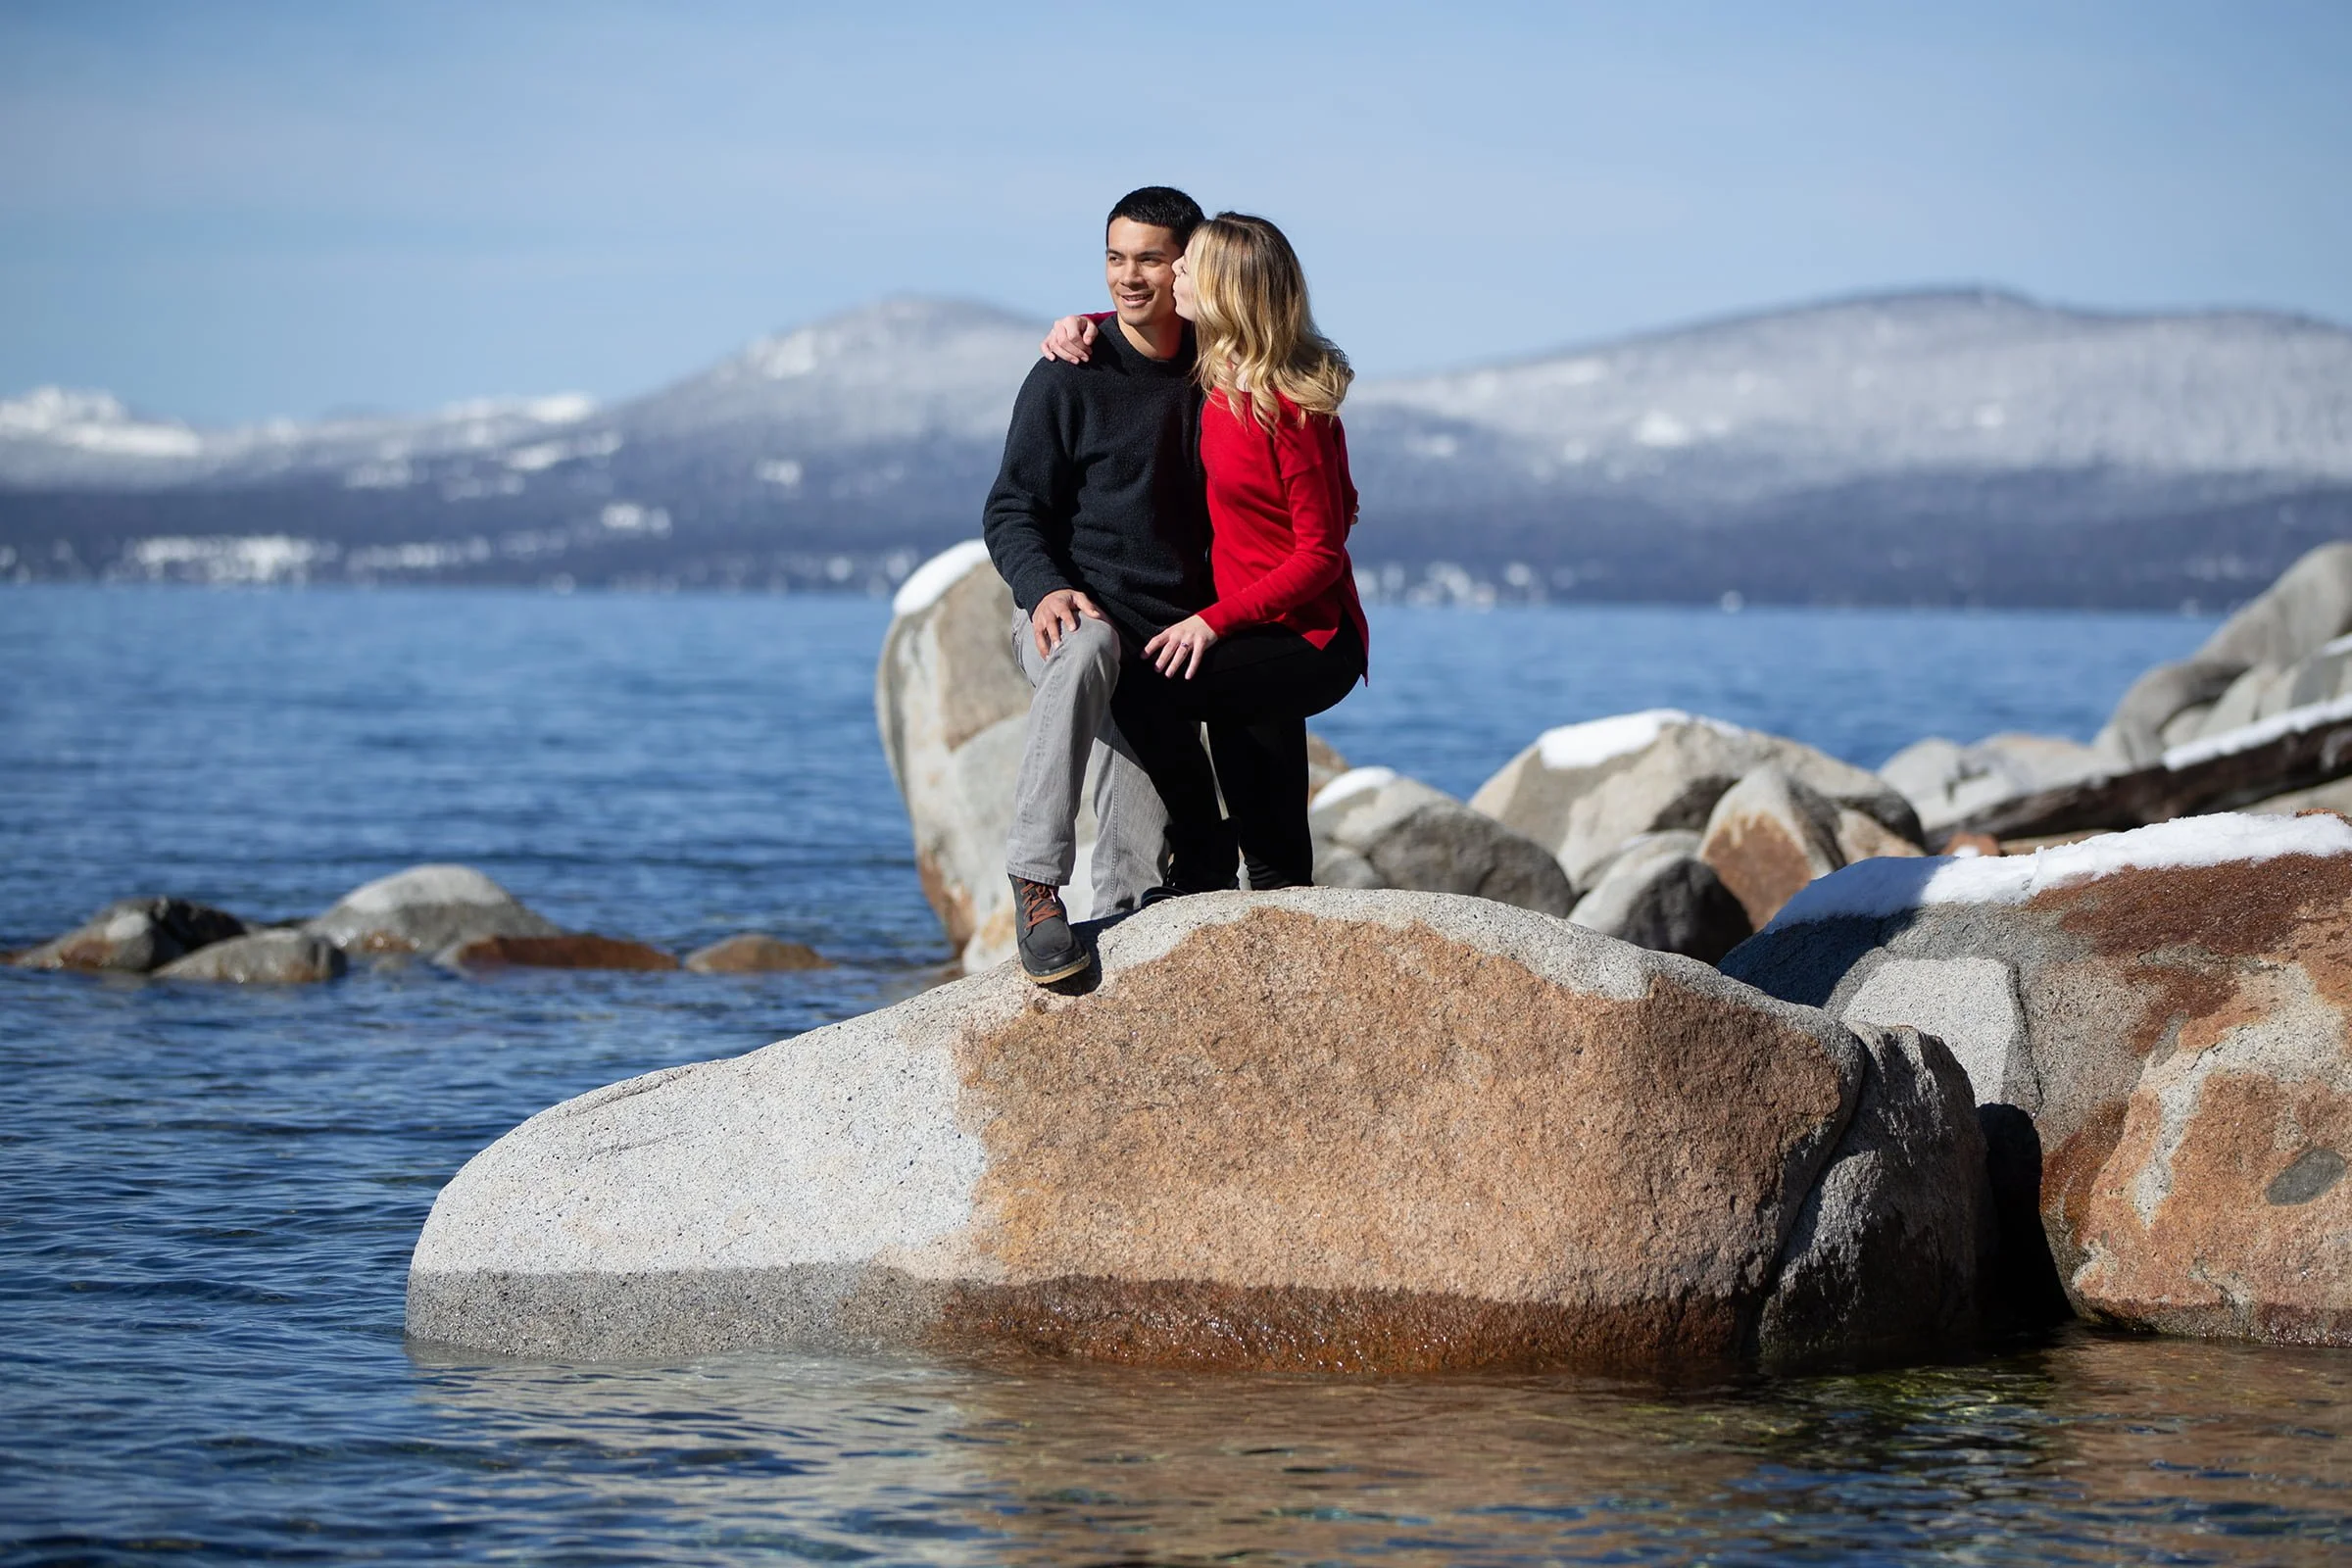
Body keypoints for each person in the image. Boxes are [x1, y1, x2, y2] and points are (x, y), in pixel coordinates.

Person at [1040, 212, 1369, 891]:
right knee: (1276, 854)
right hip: (1251, 631)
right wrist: (1084, 322)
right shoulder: (1214, 369)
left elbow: (1321, 556)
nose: (1172, 277)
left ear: (1221, 288)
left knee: (1139, 682)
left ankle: (1199, 845)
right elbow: (1142, 320)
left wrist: (1210, 621)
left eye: (1185, 268)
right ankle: (1224, 880)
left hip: (1307, 636)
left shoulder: (1288, 405)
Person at [982, 186, 1230, 984]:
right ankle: (1035, 879)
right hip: (1074, 617)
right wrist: (1043, 587)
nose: (1129, 277)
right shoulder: (1067, 375)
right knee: (1087, 646)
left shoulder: (1217, 369)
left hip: (1164, 640)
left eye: (1150, 259)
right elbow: (1011, 509)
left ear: (1186, 266)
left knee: (1133, 895)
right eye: (1115, 259)